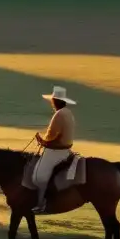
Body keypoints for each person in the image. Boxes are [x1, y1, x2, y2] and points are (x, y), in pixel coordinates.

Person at [31, 85, 76, 213]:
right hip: (66, 150)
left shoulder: (59, 115)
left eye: (52, 100)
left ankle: (41, 204)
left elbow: (51, 136)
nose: (51, 102)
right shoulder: (68, 113)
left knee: (39, 175)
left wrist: (41, 140)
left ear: (55, 101)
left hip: (57, 152)